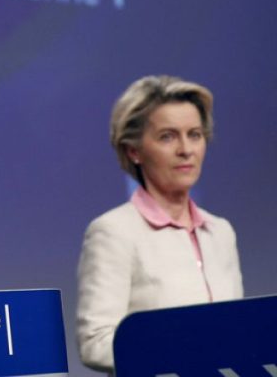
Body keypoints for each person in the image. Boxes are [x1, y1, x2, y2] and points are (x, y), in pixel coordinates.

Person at [76, 75, 243, 372]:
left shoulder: (221, 232)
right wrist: (183, 350)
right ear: (134, 151)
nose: (186, 149)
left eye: (195, 135)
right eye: (167, 136)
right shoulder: (113, 232)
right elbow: (95, 342)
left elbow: (238, 330)